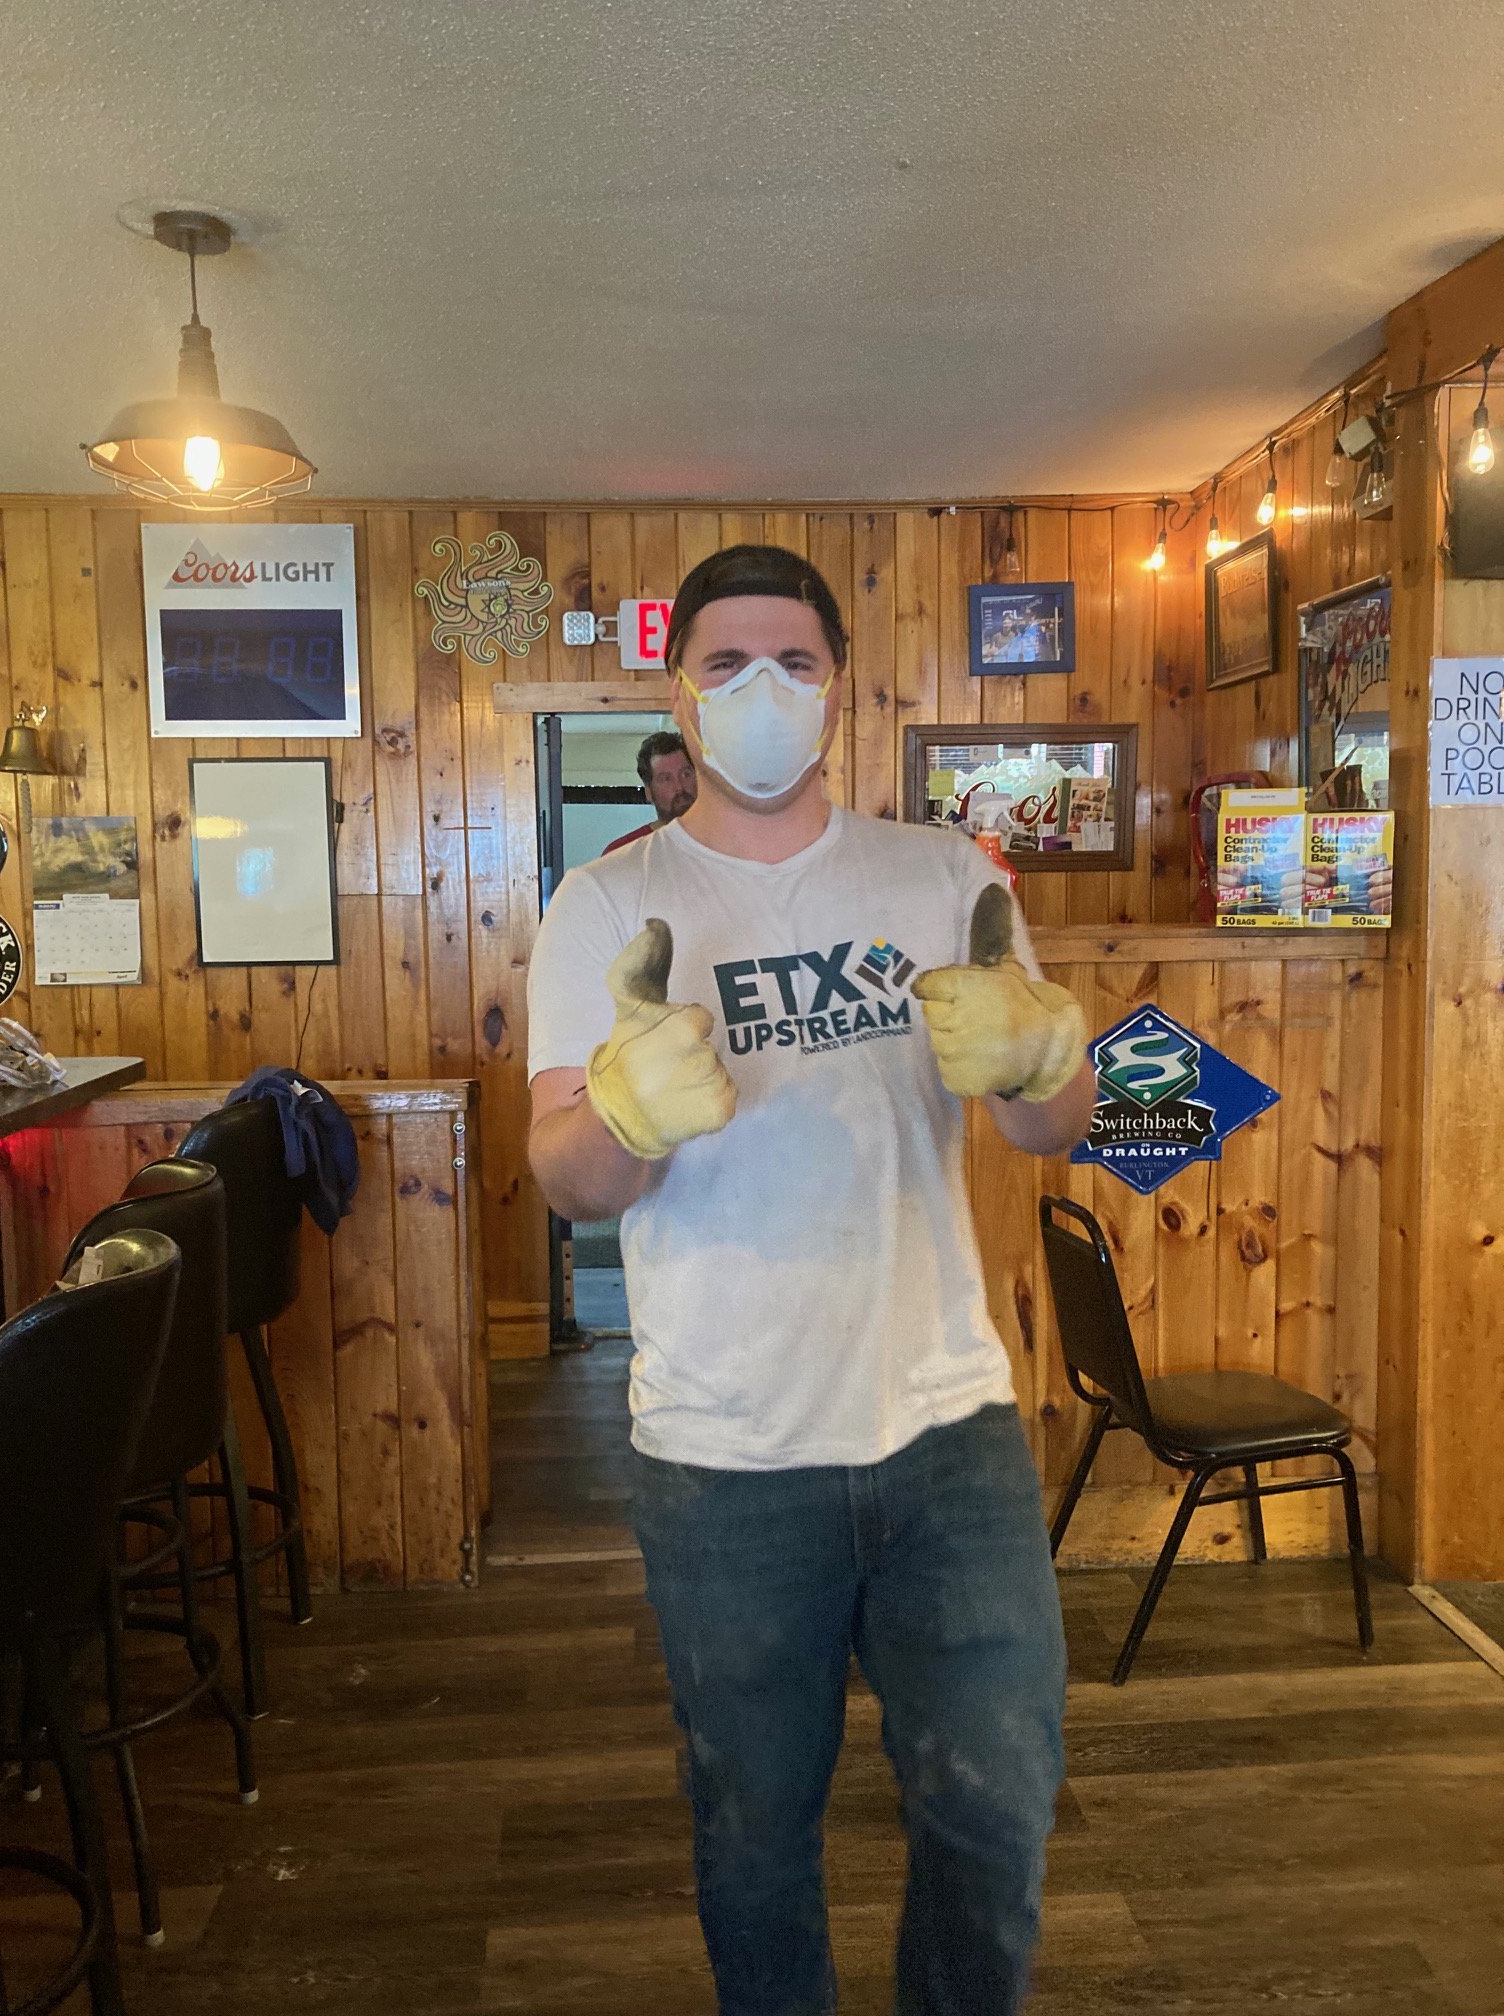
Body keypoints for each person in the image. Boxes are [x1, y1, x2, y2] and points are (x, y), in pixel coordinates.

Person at [526, 544, 1095, 2016]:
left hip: (949, 1431)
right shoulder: (606, 906)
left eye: (793, 663)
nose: (761, 690)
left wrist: (1046, 1057)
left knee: (994, 1809)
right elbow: (565, 1176)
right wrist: (626, 1113)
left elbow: (1048, 1125)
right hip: (725, 1457)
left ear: (838, 687)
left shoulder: (944, 874)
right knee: (755, 1838)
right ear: (681, 689)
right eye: (727, 665)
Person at [602, 729, 698, 854]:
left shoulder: (726, 841)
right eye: (666, 779)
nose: (679, 787)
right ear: (648, 791)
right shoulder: (621, 854)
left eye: (686, 774)